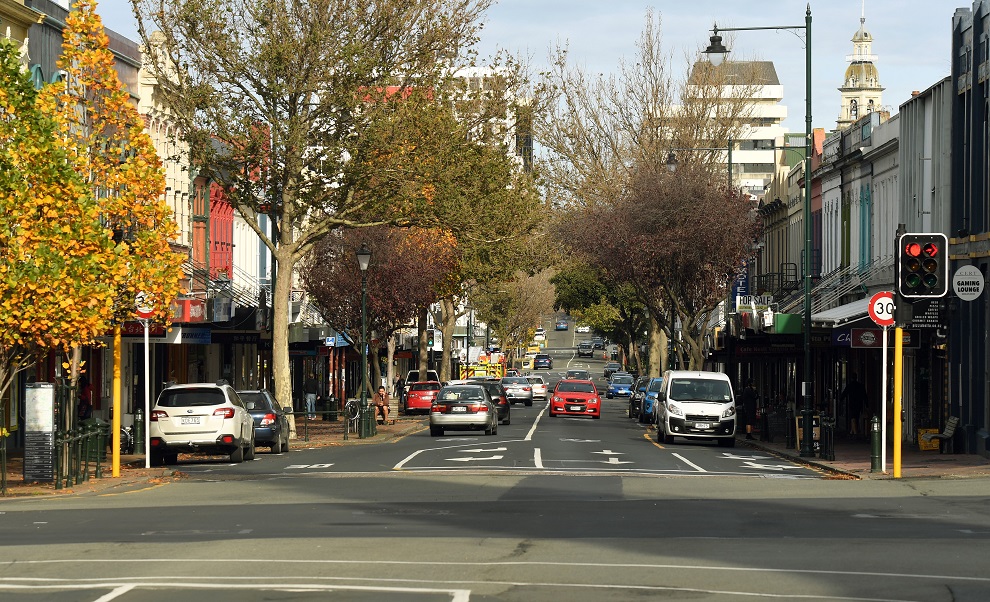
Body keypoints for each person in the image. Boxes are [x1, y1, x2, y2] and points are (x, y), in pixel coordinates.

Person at [841, 372, 867, 438]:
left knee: (852, 417)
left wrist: (840, 399)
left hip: (852, 403)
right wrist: (867, 404)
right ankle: (853, 431)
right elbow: (864, 395)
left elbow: (844, 393)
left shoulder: (850, 385)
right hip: (859, 403)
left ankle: (854, 432)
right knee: (856, 416)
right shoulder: (860, 386)